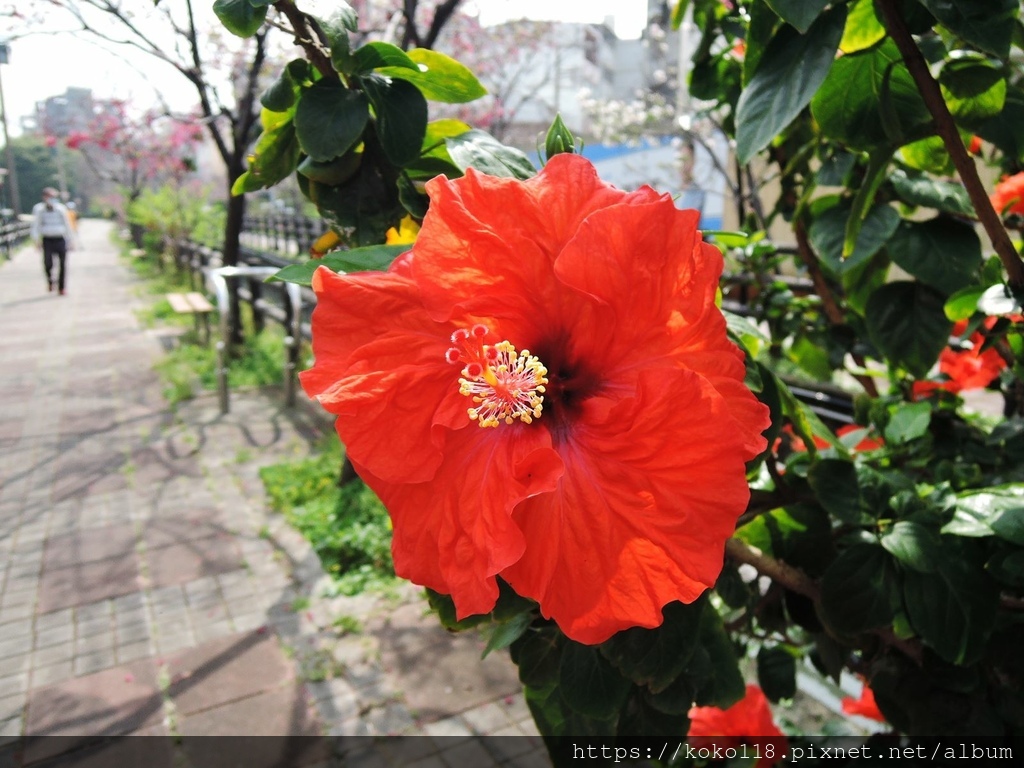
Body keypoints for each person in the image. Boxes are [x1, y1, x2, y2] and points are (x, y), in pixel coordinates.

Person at [30, 187, 77, 295]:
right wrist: (36, 240)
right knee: (48, 263)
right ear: (44, 197)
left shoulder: (61, 209)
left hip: (60, 239)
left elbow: (67, 225)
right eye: (49, 196)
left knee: (63, 264)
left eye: (53, 197)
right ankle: (50, 281)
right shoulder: (39, 209)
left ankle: (62, 287)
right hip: (47, 239)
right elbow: (36, 225)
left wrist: (71, 240)